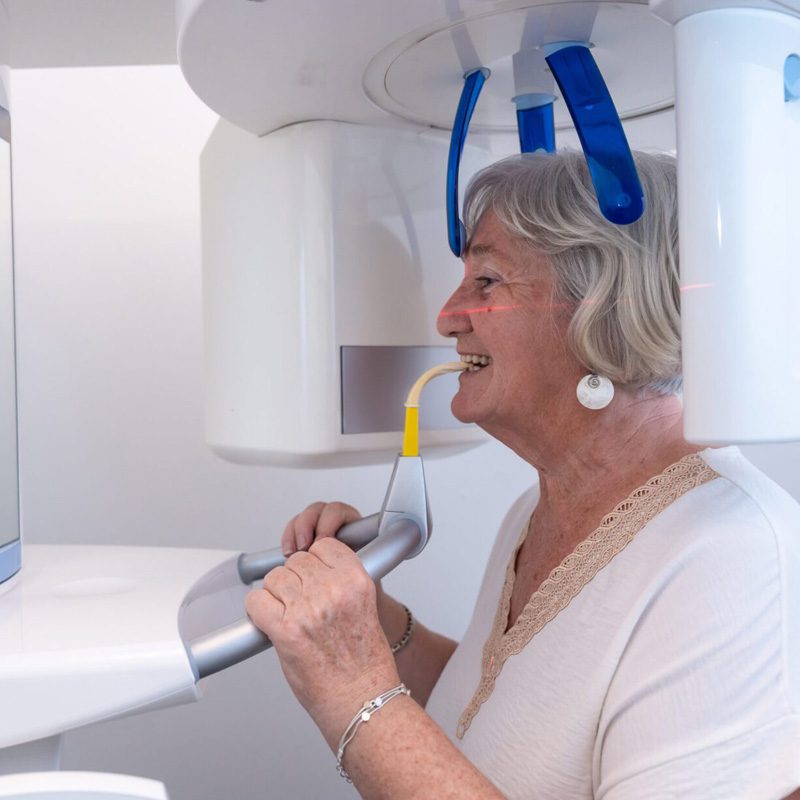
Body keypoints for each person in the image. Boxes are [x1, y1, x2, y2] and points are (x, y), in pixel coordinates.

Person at [245, 151, 800, 799]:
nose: (448, 318)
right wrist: (369, 624)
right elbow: (504, 729)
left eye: (486, 281)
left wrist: (353, 690)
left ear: (604, 306)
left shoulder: (733, 554)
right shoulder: (534, 510)